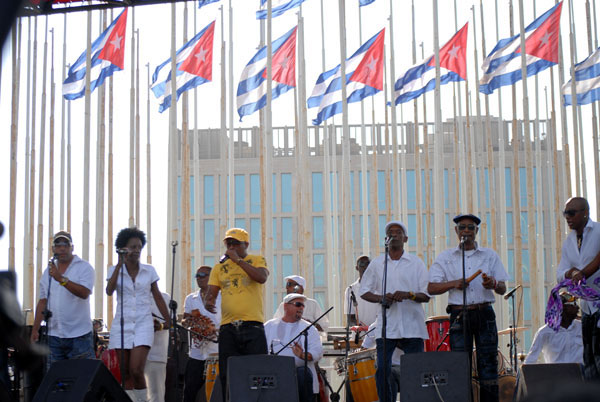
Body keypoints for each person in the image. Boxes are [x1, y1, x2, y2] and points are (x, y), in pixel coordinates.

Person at [428, 213, 509, 402]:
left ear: (476, 231)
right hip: (459, 314)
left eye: (470, 228)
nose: (466, 231)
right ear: (456, 231)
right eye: (462, 227)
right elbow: (431, 287)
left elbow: (503, 288)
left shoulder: (489, 255)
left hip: (484, 313)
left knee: (488, 364)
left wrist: (493, 284)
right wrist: (453, 283)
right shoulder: (446, 257)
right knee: (459, 366)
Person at [359, 220, 430, 402]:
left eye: (398, 232)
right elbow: (364, 291)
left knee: (415, 370)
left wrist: (409, 295)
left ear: (405, 238)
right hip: (387, 325)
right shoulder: (377, 264)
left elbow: (426, 294)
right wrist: (381, 298)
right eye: (391, 232)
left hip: (412, 325)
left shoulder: (416, 263)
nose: (394, 234)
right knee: (382, 369)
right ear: (386, 239)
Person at [106, 227, 171, 402]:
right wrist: (120, 264)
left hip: (143, 323)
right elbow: (109, 291)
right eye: (133, 247)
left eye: (139, 247)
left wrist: (168, 319)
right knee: (125, 372)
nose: (136, 250)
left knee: (136, 370)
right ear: (123, 248)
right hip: (122, 324)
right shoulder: (114, 270)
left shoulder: (149, 270)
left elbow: (157, 295)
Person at [205, 227, 269, 399]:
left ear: (245, 244)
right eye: (228, 244)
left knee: (257, 372)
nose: (231, 247)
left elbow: (262, 278)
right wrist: (208, 300)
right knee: (228, 374)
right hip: (228, 327)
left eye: (235, 243)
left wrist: (239, 261)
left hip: (252, 324)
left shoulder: (256, 259)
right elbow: (211, 292)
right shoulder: (219, 268)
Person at [31, 231, 95, 369]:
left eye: (66, 244)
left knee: (82, 378)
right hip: (54, 334)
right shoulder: (48, 271)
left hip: (79, 334)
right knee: (56, 381)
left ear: (72, 247)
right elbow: (43, 301)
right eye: (58, 245)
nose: (62, 248)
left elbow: (84, 293)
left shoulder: (84, 267)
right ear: (53, 249)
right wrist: (35, 329)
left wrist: (61, 279)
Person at [556, 197, 600, 381]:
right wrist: (571, 272)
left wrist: (581, 273)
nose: (567, 217)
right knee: (588, 359)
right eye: (565, 213)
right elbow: (560, 273)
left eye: (572, 213)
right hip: (587, 308)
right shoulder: (569, 242)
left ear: (585, 213)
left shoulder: (598, 231)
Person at [264, 293, 323, 402]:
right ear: (285, 306)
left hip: (299, 378)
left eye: (303, 306)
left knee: (302, 373)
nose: (301, 308)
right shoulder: (268, 326)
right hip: (274, 376)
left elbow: (317, 353)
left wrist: (301, 355)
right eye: (298, 304)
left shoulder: (309, 328)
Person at [182, 266, 221, 402]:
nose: (199, 278)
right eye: (197, 275)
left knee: (218, 389)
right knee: (190, 389)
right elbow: (185, 319)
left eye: (203, 275)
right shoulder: (191, 298)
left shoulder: (223, 296)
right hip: (197, 350)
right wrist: (192, 324)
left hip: (217, 349)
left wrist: (214, 330)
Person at [524, 292, 583, 365]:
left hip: (579, 374)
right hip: (555, 374)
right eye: (572, 305)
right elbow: (530, 360)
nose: (577, 308)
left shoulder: (582, 328)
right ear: (561, 308)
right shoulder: (545, 332)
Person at [144, 292, 171, 402]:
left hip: (156, 354)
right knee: (136, 395)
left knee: (156, 396)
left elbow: (172, 322)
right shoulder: (134, 297)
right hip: (135, 353)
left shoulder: (165, 297)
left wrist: (159, 326)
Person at [344, 256, 378, 327]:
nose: (365, 267)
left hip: (377, 333)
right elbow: (350, 318)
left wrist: (373, 327)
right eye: (362, 264)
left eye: (368, 264)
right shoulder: (350, 290)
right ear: (357, 268)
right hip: (358, 334)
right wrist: (358, 327)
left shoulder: (379, 287)